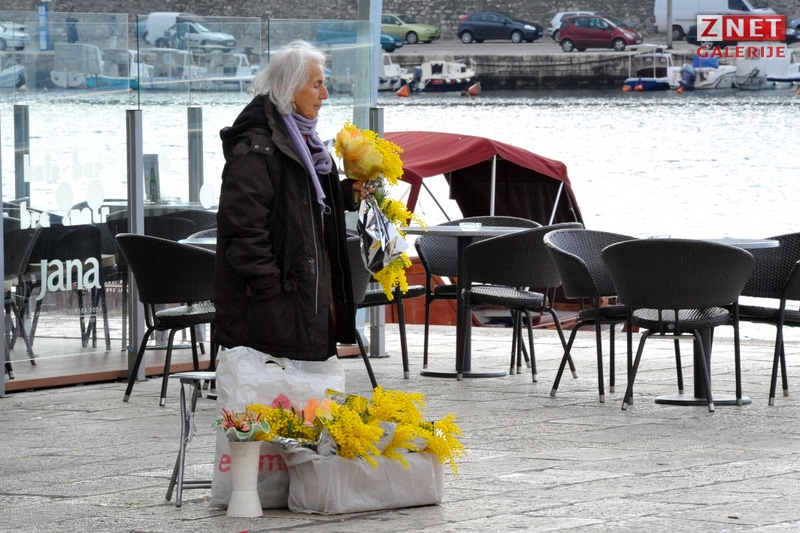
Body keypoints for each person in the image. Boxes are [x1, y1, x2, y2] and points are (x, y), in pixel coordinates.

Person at [213, 40, 369, 361]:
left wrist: (344, 193)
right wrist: (268, 287)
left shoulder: (306, 143)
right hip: (274, 304)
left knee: (311, 389)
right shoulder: (257, 149)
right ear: (289, 89)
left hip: (304, 298)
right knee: (279, 390)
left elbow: (300, 201)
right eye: (317, 85)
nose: (325, 95)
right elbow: (242, 226)